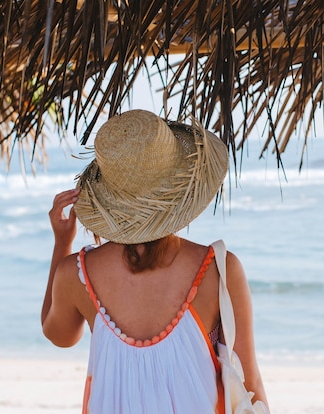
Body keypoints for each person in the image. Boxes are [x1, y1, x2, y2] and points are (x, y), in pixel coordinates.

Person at [41, 110, 268, 413]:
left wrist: (62, 244)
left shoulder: (77, 273)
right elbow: (249, 382)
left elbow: (59, 335)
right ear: (180, 190)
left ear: (109, 197)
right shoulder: (219, 270)